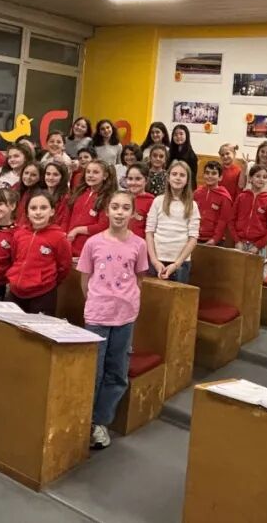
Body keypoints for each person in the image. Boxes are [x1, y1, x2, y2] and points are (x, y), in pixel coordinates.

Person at [78, 190, 151, 451]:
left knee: (117, 371)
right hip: (97, 314)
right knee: (93, 371)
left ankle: (100, 422)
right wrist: (98, 301)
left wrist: (127, 301)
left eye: (125, 208)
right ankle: (83, 420)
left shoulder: (139, 244)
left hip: (125, 315)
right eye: (115, 207)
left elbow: (139, 277)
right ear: (107, 211)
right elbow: (85, 280)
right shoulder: (93, 243)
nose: (120, 212)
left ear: (133, 213)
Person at [6, 190, 72, 314]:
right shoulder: (19, 234)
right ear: (27, 212)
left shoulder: (59, 238)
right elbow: (15, 258)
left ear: (52, 211)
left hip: (42, 295)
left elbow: (64, 267)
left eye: (43, 208)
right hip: (15, 293)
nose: (38, 212)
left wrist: (46, 281)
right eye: (33, 208)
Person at [145, 160, 199, 283]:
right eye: (174, 174)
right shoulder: (158, 201)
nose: (178, 178)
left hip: (181, 263)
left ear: (187, 180)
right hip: (157, 260)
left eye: (182, 175)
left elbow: (193, 238)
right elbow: (149, 232)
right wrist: (154, 261)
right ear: (168, 178)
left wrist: (176, 264)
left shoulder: (192, 205)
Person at [230, 164, 267, 273]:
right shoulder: (241, 197)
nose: (261, 179)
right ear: (250, 178)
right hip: (240, 244)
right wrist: (237, 241)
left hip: (258, 247)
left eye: (264, 177)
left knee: (256, 277)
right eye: (258, 176)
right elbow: (231, 220)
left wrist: (258, 246)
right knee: (237, 275)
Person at [67, 160, 115, 253]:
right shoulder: (80, 193)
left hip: (90, 247)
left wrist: (77, 230)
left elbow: (103, 226)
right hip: (71, 244)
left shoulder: (107, 198)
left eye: (95, 172)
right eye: (88, 172)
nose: (90, 175)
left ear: (105, 176)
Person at [0, 143, 33, 220]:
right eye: (9, 157)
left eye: (16, 156)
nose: (12, 159)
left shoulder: (26, 179)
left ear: (26, 158)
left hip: (3, 217)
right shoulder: (2, 171)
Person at [194, 160, 233, 246]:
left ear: (220, 177)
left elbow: (223, 221)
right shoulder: (197, 193)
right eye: (207, 173)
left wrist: (215, 239)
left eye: (214, 173)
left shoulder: (224, 197)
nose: (210, 176)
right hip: (195, 237)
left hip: (215, 241)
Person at [123, 163, 155, 240]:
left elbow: (151, 231)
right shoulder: (121, 198)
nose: (133, 183)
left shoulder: (152, 202)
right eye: (130, 179)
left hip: (140, 244)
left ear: (146, 180)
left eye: (138, 179)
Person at [39, 160, 72, 229]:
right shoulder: (39, 194)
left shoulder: (66, 198)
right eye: (48, 174)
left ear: (62, 177)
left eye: (55, 175)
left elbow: (64, 222)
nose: (51, 178)